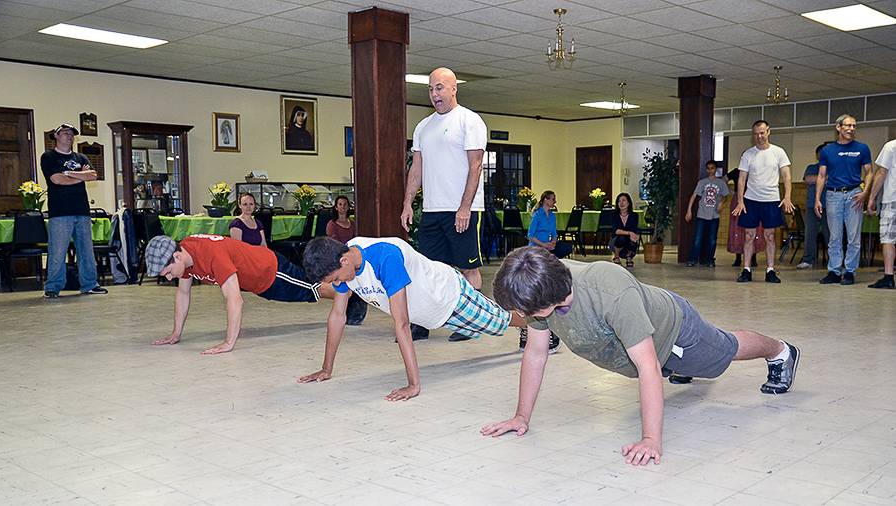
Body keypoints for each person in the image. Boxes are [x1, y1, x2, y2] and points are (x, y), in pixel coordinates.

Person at [481, 246, 801, 466]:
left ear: (548, 300)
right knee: (663, 362)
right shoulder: (542, 292)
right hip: (646, 343)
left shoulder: (610, 292)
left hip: (675, 331)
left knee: (725, 351)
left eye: (521, 309)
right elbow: (536, 354)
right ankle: (681, 369)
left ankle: (781, 351)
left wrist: (650, 439)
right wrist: (521, 416)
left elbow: (648, 366)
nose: (519, 315)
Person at [298, 236, 555, 401]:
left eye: (335, 279)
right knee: (496, 323)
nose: (337, 284)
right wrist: (326, 368)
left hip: (449, 297)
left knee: (501, 321)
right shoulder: (343, 262)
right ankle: (538, 321)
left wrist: (413, 385)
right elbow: (338, 316)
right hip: (432, 314)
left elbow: (401, 324)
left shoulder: (385, 258)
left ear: (344, 260)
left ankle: (544, 321)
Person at [144, 234, 366, 355]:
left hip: (269, 270)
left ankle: (357, 293)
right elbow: (183, 293)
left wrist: (229, 342)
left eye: (168, 272)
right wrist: (176, 333)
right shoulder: (186, 255)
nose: (170, 278)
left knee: (313, 289)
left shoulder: (211, 255)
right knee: (311, 291)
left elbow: (235, 300)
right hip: (259, 283)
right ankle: (351, 293)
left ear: (177, 257)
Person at [400, 67, 488, 342]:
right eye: (430, 89)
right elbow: (416, 169)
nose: (434, 94)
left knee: (467, 268)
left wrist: (464, 208)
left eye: (439, 88)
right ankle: (422, 323)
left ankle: (470, 324)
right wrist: (407, 204)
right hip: (432, 211)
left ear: (453, 88)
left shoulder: (469, 121)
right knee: (427, 270)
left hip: (463, 210)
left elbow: (476, 167)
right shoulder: (423, 127)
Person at [41, 123, 108, 298]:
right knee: (58, 251)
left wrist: (69, 173)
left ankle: (90, 284)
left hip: (82, 210)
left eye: (71, 133)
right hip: (60, 212)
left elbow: (93, 175)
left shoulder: (81, 157)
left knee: (86, 251)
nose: (69, 136)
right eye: (65, 133)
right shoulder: (49, 157)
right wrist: (81, 176)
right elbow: (57, 180)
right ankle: (53, 287)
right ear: (56, 136)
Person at [731, 120, 795, 283]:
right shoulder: (748, 154)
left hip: (771, 200)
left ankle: (770, 270)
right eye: (756, 134)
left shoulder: (778, 152)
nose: (759, 136)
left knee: (770, 236)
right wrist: (740, 201)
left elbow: (786, 176)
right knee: (749, 235)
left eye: (762, 133)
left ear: (768, 132)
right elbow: (741, 179)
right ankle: (746, 270)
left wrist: (787, 197)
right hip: (751, 200)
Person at [815, 114, 874, 286]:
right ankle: (834, 271)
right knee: (834, 236)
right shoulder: (827, 151)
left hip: (854, 194)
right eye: (848, 125)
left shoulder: (862, 148)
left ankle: (849, 271)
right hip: (833, 195)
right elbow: (821, 175)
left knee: (853, 237)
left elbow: (869, 172)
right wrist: (818, 199)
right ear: (838, 127)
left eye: (854, 126)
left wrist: (865, 193)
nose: (851, 129)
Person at [685, 161, 730, 267]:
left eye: (712, 168)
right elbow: (694, 196)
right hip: (702, 215)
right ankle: (693, 259)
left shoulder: (721, 183)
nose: (710, 170)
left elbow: (726, 196)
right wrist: (689, 210)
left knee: (712, 240)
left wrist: (721, 203)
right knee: (697, 239)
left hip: (714, 216)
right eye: (708, 168)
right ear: (706, 170)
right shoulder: (702, 182)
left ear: (715, 169)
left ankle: (709, 260)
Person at [867, 138, 896, 289]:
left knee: (888, 239)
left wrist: (871, 198)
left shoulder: (891, 146)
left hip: (892, 199)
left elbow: (882, 172)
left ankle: (889, 277)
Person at [797, 144, 830, 269]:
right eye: (821, 153)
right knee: (810, 233)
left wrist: (821, 179)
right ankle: (808, 260)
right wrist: (825, 178)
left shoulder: (834, 168)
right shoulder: (811, 167)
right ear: (817, 155)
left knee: (830, 234)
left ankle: (833, 261)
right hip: (812, 206)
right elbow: (808, 179)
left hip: (829, 206)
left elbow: (835, 180)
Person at [725, 166, 763, 268]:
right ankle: (738, 257)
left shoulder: (756, 169)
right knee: (737, 227)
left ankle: (753, 257)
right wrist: (732, 192)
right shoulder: (736, 171)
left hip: (753, 199)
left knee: (754, 227)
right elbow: (723, 180)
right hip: (738, 200)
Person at [527, 190, 572, 259]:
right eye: (553, 199)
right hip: (537, 246)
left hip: (547, 245)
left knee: (567, 247)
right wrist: (543, 245)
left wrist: (553, 243)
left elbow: (554, 233)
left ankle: (548, 258)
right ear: (546, 200)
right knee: (547, 252)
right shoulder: (537, 215)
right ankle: (545, 258)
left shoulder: (552, 216)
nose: (555, 201)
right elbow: (530, 235)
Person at [610, 193, 639, 268]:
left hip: (629, 239)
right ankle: (616, 256)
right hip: (616, 240)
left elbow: (634, 229)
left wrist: (633, 235)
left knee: (631, 239)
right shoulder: (614, 215)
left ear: (628, 203)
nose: (621, 203)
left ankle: (629, 256)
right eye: (619, 201)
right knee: (621, 237)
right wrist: (629, 233)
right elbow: (616, 231)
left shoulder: (634, 215)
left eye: (623, 200)